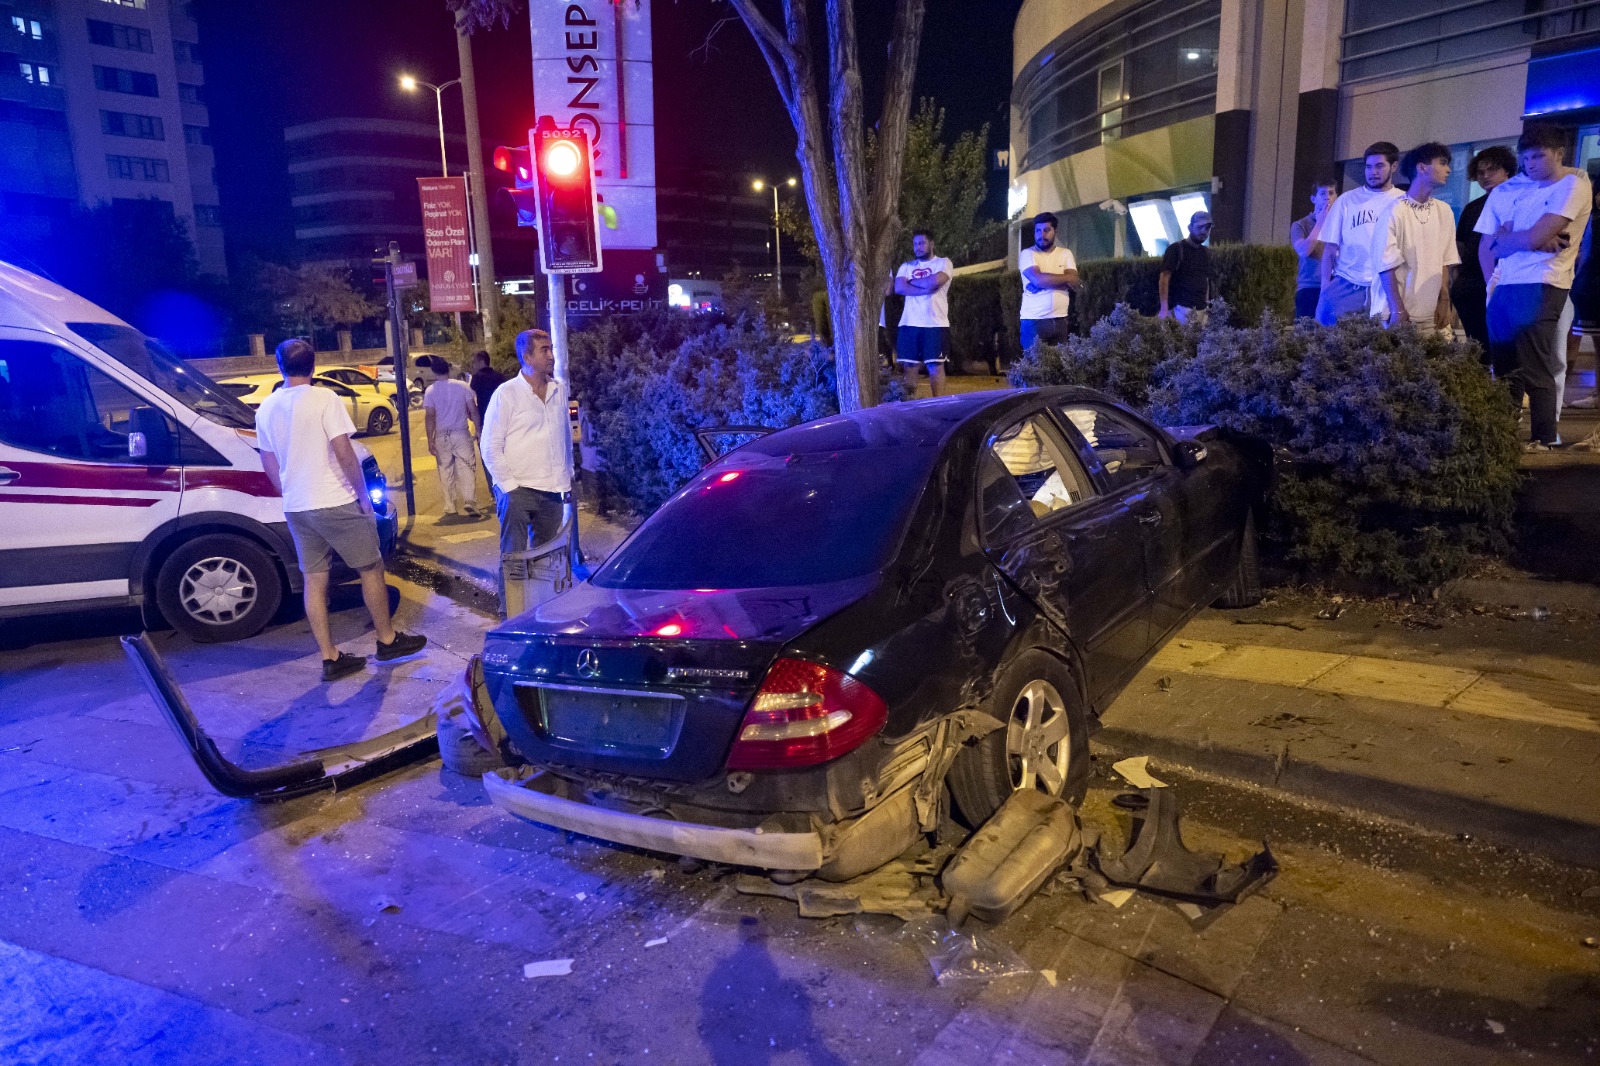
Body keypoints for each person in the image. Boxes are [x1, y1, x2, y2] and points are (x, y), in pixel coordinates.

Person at [254, 339, 426, 682]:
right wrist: (363, 497)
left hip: (298, 507)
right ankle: (387, 640)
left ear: (279, 367)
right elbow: (344, 452)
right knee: (371, 568)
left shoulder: (267, 408)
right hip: (334, 500)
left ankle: (330, 658)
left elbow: (268, 460)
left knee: (314, 581)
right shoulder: (325, 399)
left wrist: (288, 492)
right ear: (314, 365)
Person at [1477, 123, 1594, 451]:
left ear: (1559, 154)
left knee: (1537, 366)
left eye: (1539, 156)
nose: (1531, 164)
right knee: (1505, 367)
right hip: (1505, 283)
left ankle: (1544, 438)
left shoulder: (1573, 184)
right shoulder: (1512, 190)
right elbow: (1490, 246)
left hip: (1544, 282)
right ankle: (1503, 436)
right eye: (1526, 158)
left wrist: (1516, 237)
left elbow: (1532, 236)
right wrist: (1524, 239)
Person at [482, 328, 572, 563]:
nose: (551, 355)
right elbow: (490, 445)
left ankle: (539, 602)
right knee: (514, 561)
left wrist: (567, 478)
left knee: (545, 561)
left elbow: (564, 439)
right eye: (544, 350)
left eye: (551, 349)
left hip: (552, 491)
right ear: (527, 356)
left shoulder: (559, 390)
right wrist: (509, 488)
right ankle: (512, 602)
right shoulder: (507, 393)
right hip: (517, 490)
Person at [1373, 142, 1461, 335]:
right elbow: (1385, 265)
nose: (1448, 170)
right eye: (1443, 163)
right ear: (1421, 167)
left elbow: (1445, 260)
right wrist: (1397, 309)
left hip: (1432, 313)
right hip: (1395, 313)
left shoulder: (1444, 210)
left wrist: (1444, 301)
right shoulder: (1394, 210)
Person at [1315, 142, 1405, 325]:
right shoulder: (1346, 200)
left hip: (1386, 286)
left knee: (1382, 347)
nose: (1373, 172)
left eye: (1380, 166)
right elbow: (1330, 249)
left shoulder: (1402, 201)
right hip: (1347, 283)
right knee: (1328, 341)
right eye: (1369, 166)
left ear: (1393, 167)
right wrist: (1325, 288)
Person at [1452, 146, 1517, 359]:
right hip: (1470, 286)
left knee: (1504, 348)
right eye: (1480, 172)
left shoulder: (1517, 201)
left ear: (1507, 170)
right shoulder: (1473, 207)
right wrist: (1456, 280)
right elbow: (1460, 246)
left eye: (1492, 170)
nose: (1486, 176)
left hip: (1503, 282)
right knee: (1478, 349)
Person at [893, 230, 953, 397]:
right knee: (910, 368)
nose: (917, 247)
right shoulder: (906, 266)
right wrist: (925, 288)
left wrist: (911, 282)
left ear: (931, 244)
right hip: (909, 324)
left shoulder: (943, 262)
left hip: (935, 324)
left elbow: (935, 281)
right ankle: (910, 406)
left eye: (921, 243)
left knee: (936, 367)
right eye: (915, 244)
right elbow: (899, 287)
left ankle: (938, 405)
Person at [422, 355, 482, 521]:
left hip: (442, 435)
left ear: (433, 371)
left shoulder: (430, 391)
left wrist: (430, 439)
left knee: (445, 469)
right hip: (461, 432)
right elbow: (473, 410)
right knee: (467, 466)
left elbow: (430, 417)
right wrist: (478, 430)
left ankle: (450, 506)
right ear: (448, 369)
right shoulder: (462, 387)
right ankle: (470, 500)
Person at [1018, 212, 1080, 349]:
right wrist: (1064, 280)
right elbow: (1038, 280)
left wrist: (1043, 283)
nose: (1042, 235)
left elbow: (1075, 282)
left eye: (1046, 230)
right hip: (1034, 321)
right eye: (1038, 230)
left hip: (1060, 321)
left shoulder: (1065, 253)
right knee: (1034, 368)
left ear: (1055, 231)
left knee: (1058, 368)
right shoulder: (1028, 254)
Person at [1290, 181, 1337, 319]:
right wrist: (1321, 222)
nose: (1327, 197)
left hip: (1333, 287)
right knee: (1307, 335)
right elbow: (1304, 251)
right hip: (1309, 288)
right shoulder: (1300, 225)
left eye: (1331, 193)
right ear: (1313, 198)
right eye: (1322, 193)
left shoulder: (1339, 223)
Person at [1158, 211, 1214, 324]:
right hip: (1181, 309)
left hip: (1202, 310)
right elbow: (1164, 277)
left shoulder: (1206, 252)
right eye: (1200, 227)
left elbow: (1205, 279)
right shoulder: (1176, 249)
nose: (1203, 231)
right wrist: (1164, 308)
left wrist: (1206, 305)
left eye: (1207, 228)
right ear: (1190, 227)